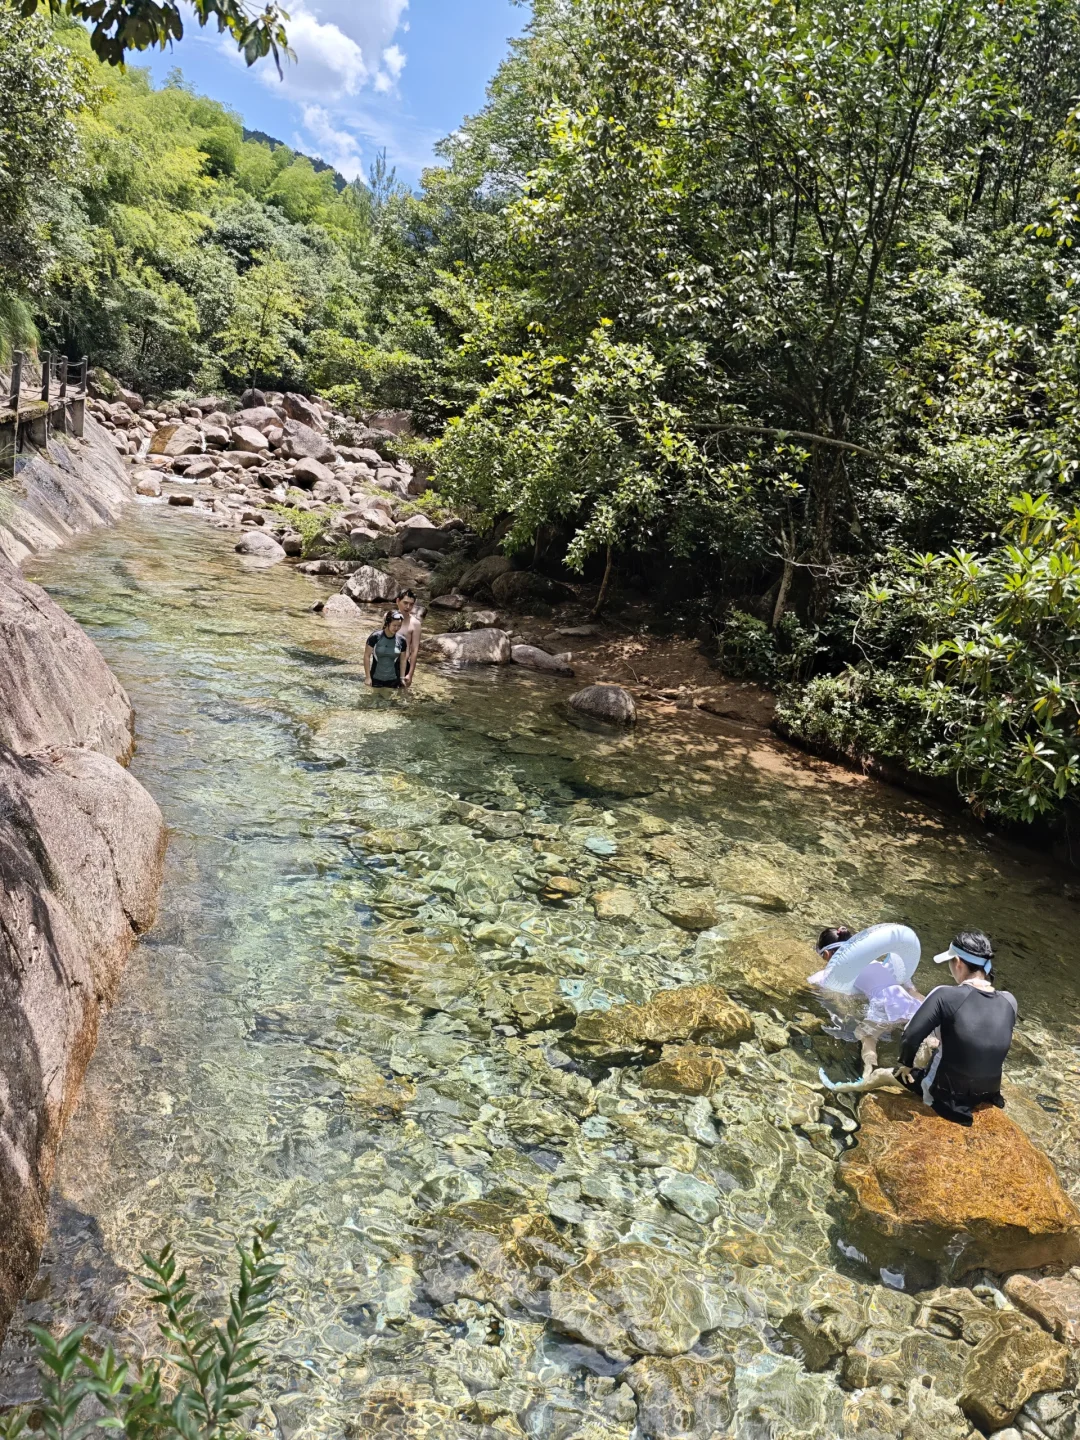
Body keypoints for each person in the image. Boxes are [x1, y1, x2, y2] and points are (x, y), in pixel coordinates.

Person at [894, 930, 1017, 1126]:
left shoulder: (944, 995)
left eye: (950, 962)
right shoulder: (1010, 1000)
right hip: (989, 1092)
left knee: (888, 1075)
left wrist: (907, 1064)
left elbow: (910, 1037)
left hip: (947, 1098)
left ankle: (850, 1087)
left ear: (958, 962)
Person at [813, 924, 924, 1077]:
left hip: (884, 1006)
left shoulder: (834, 974)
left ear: (826, 955)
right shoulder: (882, 965)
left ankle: (868, 1072)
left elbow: (823, 987)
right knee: (921, 1034)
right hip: (909, 1003)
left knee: (866, 1035)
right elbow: (913, 991)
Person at [365, 611, 407, 689]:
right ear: (387, 623)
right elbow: (366, 656)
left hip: (393, 680)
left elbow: (403, 660)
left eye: (399, 626)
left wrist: (402, 678)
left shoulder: (402, 640)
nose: (397, 628)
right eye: (394, 625)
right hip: (375, 679)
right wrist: (368, 677)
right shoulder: (375, 637)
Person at [395, 588, 422, 688]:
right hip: (386, 662)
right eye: (405, 603)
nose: (408, 607)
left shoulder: (415, 624)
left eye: (411, 604)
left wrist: (410, 675)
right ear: (397, 601)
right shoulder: (387, 617)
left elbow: (414, 650)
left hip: (402, 664)